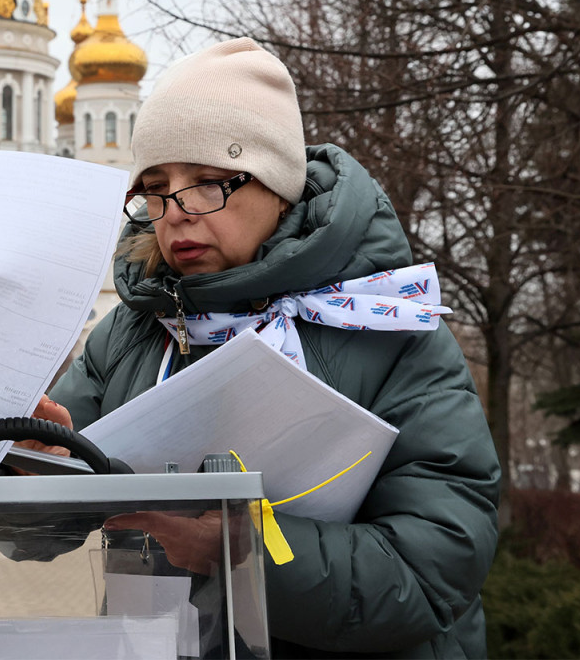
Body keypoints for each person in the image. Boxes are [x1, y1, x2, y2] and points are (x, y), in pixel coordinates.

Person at [34, 38, 501, 658]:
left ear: (277, 187)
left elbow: (432, 571)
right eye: (155, 187)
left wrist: (245, 552)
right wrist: (31, 463)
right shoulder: (129, 331)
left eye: (206, 183)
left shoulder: (388, 329)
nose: (175, 213)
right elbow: (31, 536)